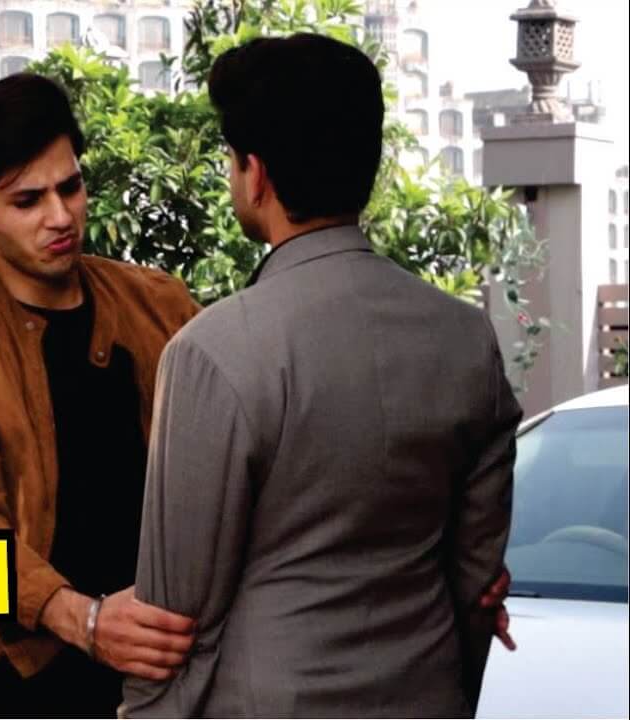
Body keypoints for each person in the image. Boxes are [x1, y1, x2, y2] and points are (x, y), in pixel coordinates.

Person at [122, 34, 521, 718]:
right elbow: (478, 580)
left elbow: (172, 620)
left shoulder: (213, 351)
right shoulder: (465, 338)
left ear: (256, 174)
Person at [0, 74, 200, 718]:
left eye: (70, 187)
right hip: (13, 671)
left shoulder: (159, 303)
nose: (61, 216)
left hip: (156, 662)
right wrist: (86, 621)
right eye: (28, 200)